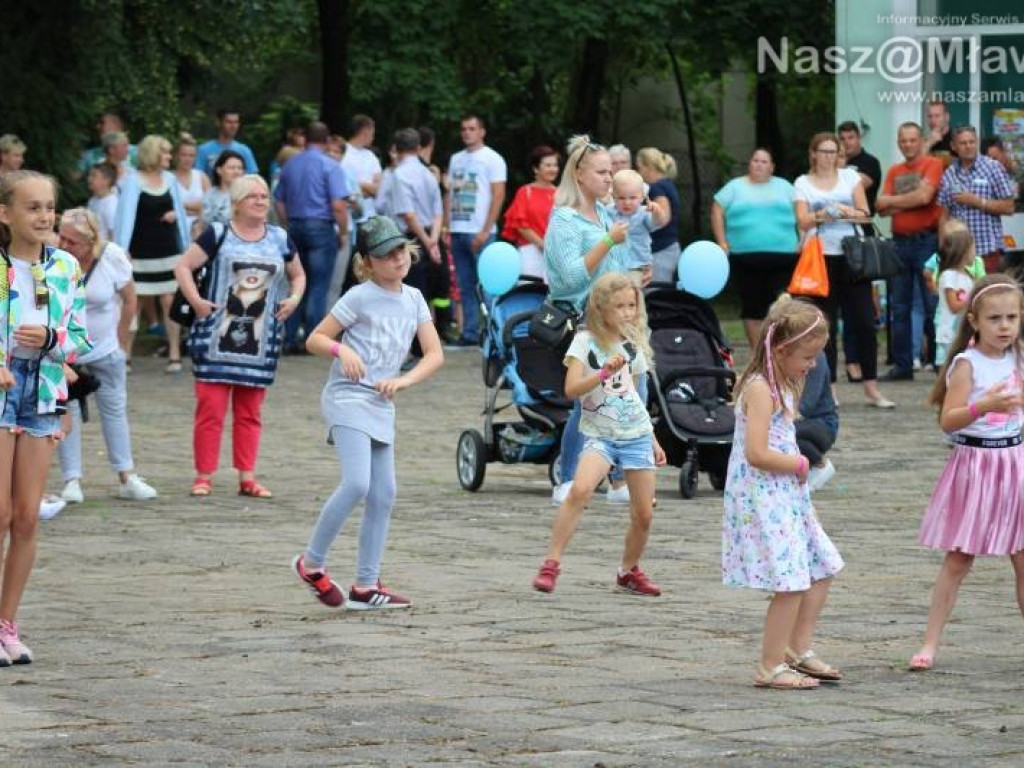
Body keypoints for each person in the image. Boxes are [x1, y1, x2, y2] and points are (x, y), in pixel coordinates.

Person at [292, 216, 443, 610]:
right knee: (358, 483)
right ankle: (311, 563)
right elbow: (315, 339)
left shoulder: (414, 298)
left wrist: (404, 381)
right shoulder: (359, 296)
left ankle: (365, 585)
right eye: (386, 254)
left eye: (400, 250)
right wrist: (342, 349)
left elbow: (434, 354)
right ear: (367, 263)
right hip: (346, 397)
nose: (397, 258)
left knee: (384, 494)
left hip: (380, 402)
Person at [723, 295, 844, 689]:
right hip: (765, 496)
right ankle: (770, 665)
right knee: (791, 581)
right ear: (779, 351)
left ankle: (797, 647)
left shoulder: (786, 384)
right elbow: (756, 452)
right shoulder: (760, 389)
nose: (813, 365)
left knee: (822, 565)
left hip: (787, 495)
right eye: (807, 357)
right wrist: (798, 464)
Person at [0, 171, 92, 666]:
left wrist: (53, 339)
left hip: (44, 390)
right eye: (31, 207)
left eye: (49, 207)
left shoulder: (65, 266)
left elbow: (80, 337)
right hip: (1, 390)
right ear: (5, 213)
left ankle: (7, 625)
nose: (43, 216)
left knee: (27, 516)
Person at [910, 275, 1024, 671]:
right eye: (995, 318)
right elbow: (948, 420)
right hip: (975, 465)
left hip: (1015, 463)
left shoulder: (1019, 357)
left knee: (1022, 557)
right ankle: (930, 642)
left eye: (1012, 317)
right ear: (974, 320)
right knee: (959, 558)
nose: (1004, 326)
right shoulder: (967, 364)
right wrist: (984, 406)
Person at [532, 272, 666, 595]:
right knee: (580, 490)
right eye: (619, 306)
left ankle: (629, 571)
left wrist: (652, 438)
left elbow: (634, 397)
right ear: (601, 308)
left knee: (644, 514)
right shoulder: (584, 342)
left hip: (635, 434)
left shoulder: (634, 344)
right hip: (600, 435)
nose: (627, 313)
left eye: (631, 305)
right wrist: (603, 373)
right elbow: (571, 390)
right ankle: (551, 563)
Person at [173, 175, 305, 498]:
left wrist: (294, 299)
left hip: (261, 341)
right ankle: (204, 475)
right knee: (210, 410)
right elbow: (183, 266)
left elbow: (298, 274)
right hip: (215, 338)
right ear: (237, 202)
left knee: (250, 413)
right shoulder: (217, 233)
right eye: (253, 196)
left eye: (264, 196)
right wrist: (197, 302)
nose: (261, 202)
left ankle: (247, 476)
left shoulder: (280, 238)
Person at [544, 136, 631, 505]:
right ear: (578, 175)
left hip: (616, 322)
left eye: (610, 172)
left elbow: (615, 269)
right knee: (589, 399)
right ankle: (568, 478)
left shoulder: (606, 214)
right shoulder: (565, 219)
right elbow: (569, 279)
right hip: (583, 321)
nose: (609, 178)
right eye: (601, 172)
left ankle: (618, 481)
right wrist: (607, 242)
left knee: (626, 397)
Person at [54, 209, 156, 503]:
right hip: (67, 352)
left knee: (114, 409)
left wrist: (122, 341)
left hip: (105, 348)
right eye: (62, 238)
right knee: (67, 412)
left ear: (91, 241)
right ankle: (72, 479)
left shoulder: (112, 256)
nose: (64, 245)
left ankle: (127, 476)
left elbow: (130, 299)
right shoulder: (55, 259)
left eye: (72, 241)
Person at [794, 132, 894, 408]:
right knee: (824, 325)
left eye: (833, 152)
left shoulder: (850, 177)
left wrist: (843, 210)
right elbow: (802, 220)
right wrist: (822, 215)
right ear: (813, 154)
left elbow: (865, 213)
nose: (828, 157)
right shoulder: (803, 183)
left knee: (864, 321)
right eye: (823, 151)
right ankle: (830, 389)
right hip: (821, 259)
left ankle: (871, 387)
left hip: (852, 257)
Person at [113, 134, 190, 373]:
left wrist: (178, 223)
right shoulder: (132, 181)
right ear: (153, 154)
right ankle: (124, 354)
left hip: (169, 250)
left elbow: (180, 213)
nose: (169, 156)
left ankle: (174, 353)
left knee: (169, 302)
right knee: (133, 303)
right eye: (165, 152)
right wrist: (122, 250)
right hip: (139, 253)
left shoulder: (170, 179)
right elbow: (124, 218)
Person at [273, 121, 352, 353]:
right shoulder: (331, 166)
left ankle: (289, 339)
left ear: (305, 139)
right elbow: (338, 205)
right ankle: (312, 339)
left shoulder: (289, 164)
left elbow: (278, 200)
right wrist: (343, 232)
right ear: (326, 141)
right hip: (321, 227)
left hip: (295, 226)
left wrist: (286, 223)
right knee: (319, 285)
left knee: (297, 283)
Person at [876, 122, 945, 380]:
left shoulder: (933, 164)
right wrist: (911, 200)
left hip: (927, 242)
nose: (908, 145)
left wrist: (895, 202)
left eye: (913, 140)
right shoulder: (894, 171)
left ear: (921, 141)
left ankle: (939, 363)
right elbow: (880, 206)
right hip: (899, 243)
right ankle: (903, 366)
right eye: (903, 140)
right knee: (899, 306)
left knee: (932, 304)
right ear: (898, 143)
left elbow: (925, 197)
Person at [711, 148, 799, 347]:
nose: (759, 165)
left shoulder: (785, 187)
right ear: (749, 164)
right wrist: (722, 242)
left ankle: (779, 349)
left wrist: (802, 239)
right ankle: (758, 353)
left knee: (783, 306)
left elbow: (802, 212)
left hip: (784, 258)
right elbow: (716, 210)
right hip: (744, 258)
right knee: (752, 307)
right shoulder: (734, 187)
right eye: (755, 160)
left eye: (764, 161)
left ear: (772, 167)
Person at [444, 114, 507, 345]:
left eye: (472, 128)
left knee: (488, 285)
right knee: (464, 285)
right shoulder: (456, 159)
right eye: (463, 129)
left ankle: (495, 334)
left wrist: (485, 230)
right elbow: (450, 193)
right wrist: (446, 226)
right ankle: (469, 333)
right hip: (457, 229)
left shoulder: (493, 158)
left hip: (480, 230)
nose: (467, 133)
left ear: (482, 132)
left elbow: (498, 195)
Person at [937, 126, 1016, 274]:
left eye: (972, 142)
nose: (968, 146)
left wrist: (976, 201)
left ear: (977, 142)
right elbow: (944, 216)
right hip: (958, 255)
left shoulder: (993, 168)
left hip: (986, 252)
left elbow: (1009, 207)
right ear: (953, 146)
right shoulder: (949, 174)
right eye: (963, 143)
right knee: (959, 290)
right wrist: (942, 250)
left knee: (986, 289)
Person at [389, 128, 443, 296]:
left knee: (413, 293)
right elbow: (438, 213)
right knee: (434, 292)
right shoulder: (428, 173)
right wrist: (434, 241)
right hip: (432, 236)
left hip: (412, 239)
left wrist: (427, 242)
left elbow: (409, 215)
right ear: (418, 148)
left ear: (397, 149)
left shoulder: (399, 175)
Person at [500, 145, 559, 280]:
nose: (553, 169)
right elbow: (520, 225)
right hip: (530, 251)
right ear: (536, 168)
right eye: (548, 165)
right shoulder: (525, 192)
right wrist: (541, 244)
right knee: (529, 288)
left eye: (555, 165)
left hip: (556, 253)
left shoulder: (561, 193)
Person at [611, 169, 669, 283]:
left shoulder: (644, 213)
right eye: (621, 198)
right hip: (613, 265)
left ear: (642, 197)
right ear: (613, 197)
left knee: (632, 289)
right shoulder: (609, 212)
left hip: (637, 266)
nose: (627, 202)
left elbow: (659, 222)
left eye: (632, 198)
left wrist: (657, 210)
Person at [933, 227, 977, 368]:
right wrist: (974, 299)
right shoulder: (949, 276)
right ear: (963, 252)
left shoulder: (967, 275)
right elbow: (953, 306)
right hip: (950, 331)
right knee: (951, 366)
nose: (975, 253)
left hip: (962, 330)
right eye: (973, 249)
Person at [635, 148, 680, 284]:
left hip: (660, 251)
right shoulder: (667, 184)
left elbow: (663, 219)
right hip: (667, 247)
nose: (638, 172)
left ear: (648, 167)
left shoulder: (656, 188)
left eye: (639, 168)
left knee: (655, 293)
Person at [797, 350, 838, 492]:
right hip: (796, 418)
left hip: (822, 422)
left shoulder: (815, 356)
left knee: (778, 430)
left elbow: (806, 405)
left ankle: (819, 464)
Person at [340, 115, 382, 223]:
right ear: (365, 132)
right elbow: (341, 191)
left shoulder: (371, 156)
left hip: (371, 217)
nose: (373, 137)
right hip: (348, 218)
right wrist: (367, 189)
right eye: (372, 133)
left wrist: (355, 184)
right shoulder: (342, 153)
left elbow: (379, 189)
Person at [195, 108, 258, 175]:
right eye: (229, 122)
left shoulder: (244, 150)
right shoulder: (204, 150)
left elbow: (253, 176)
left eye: (236, 122)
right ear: (218, 122)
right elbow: (197, 176)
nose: (233, 126)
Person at [172, 132, 210, 238]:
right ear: (176, 155)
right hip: (175, 230)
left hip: (200, 230)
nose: (188, 159)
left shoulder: (202, 177)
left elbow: (210, 206)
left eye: (191, 155)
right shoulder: (168, 178)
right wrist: (197, 208)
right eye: (184, 155)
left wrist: (182, 205)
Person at [201, 150, 245, 227]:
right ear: (219, 170)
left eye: (240, 168)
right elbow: (203, 221)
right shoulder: (210, 195)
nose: (236, 171)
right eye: (231, 168)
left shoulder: (247, 195)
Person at [86, 162, 119, 241]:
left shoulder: (111, 204)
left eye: (94, 175)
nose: (89, 179)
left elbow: (113, 235)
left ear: (107, 180)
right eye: (90, 175)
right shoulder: (93, 200)